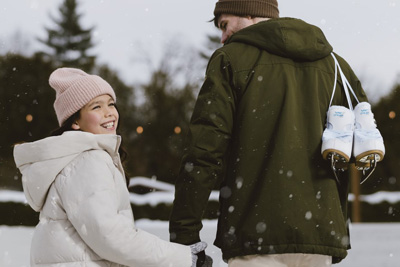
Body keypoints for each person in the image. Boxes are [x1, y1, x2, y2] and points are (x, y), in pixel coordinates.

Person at [169, 0, 376, 266]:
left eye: (225, 25)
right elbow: (363, 141)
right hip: (319, 235)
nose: (223, 37)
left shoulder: (230, 60)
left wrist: (184, 234)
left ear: (250, 13)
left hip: (254, 233)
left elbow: (204, 152)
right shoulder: (336, 66)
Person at [14, 67, 206, 267]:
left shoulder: (72, 159)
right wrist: (183, 258)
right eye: (96, 107)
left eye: (111, 104)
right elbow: (109, 235)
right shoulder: (87, 160)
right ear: (75, 121)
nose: (109, 113)